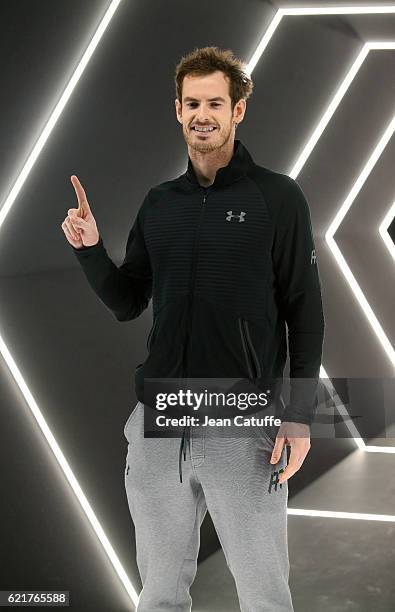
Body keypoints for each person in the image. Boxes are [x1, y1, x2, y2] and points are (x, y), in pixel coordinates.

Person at [61, 46, 325, 612]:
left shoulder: (278, 199)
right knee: (157, 596)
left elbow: (306, 312)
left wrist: (299, 417)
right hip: (159, 423)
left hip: (242, 424)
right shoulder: (160, 205)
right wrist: (89, 251)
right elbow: (128, 300)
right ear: (178, 111)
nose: (202, 113)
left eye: (215, 102)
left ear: (238, 111)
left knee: (264, 597)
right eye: (191, 103)